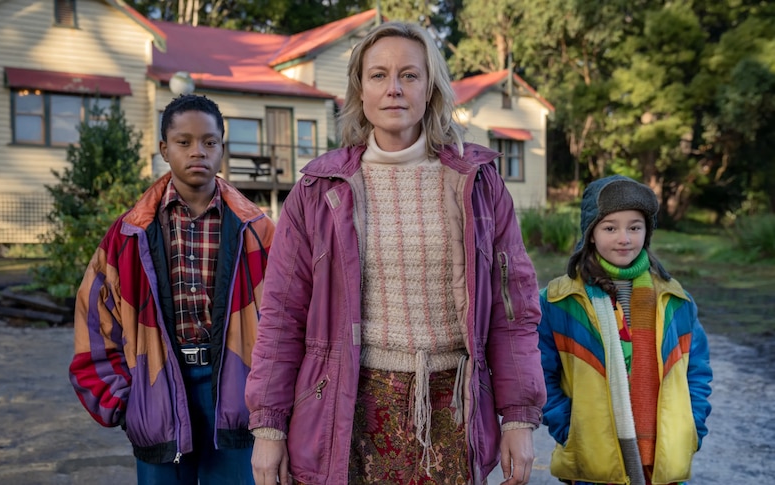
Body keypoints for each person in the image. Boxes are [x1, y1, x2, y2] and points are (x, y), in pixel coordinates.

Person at [245, 21, 546, 485]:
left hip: (453, 411)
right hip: (349, 410)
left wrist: (519, 418)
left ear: (430, 89)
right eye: (378, 75)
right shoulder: (318, 190)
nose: (394, 89)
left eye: (409, 75)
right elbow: (282, 316)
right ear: (359, 90)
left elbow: (514, 311)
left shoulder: (479, 184)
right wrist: (268, 426)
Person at [69, 94, 274, 484]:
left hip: (236, 393)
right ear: (164, 149)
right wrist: (125, 403)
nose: (198, 151)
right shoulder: (128, 234)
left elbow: (287, 320)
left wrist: (272, 400)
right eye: (184, 142)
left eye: (209, 142)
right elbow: (94, 316)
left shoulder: (259, 231)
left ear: (222, 149)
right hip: (158, 389)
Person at [537, 175, 713, 485]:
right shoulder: (558, 301)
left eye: (635, 227)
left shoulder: (674, 299)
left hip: (662, 465)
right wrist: (570, 433)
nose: (624, 238)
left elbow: (697, 371)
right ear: (590, 233)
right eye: (610, 227)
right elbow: (541, 376)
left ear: (647, 232)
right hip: (592, 465)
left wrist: (691, 430)